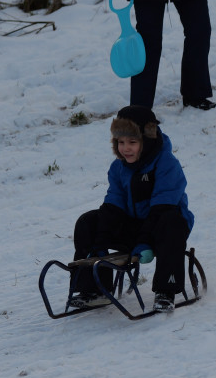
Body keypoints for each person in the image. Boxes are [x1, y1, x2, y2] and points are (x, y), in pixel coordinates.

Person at [69, 105, 194, 314]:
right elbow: (114, 205)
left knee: (172, 223)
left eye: (132, 142)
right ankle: (95, 289)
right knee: (88, 222)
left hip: (162, 225)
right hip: (134, 227)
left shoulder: (167, 164)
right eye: (120, 142)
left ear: (148, 141)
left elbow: (162, 207)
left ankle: (166, 291)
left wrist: (145, 242)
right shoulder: (118, 167)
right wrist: (100, 240)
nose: (125, 148)